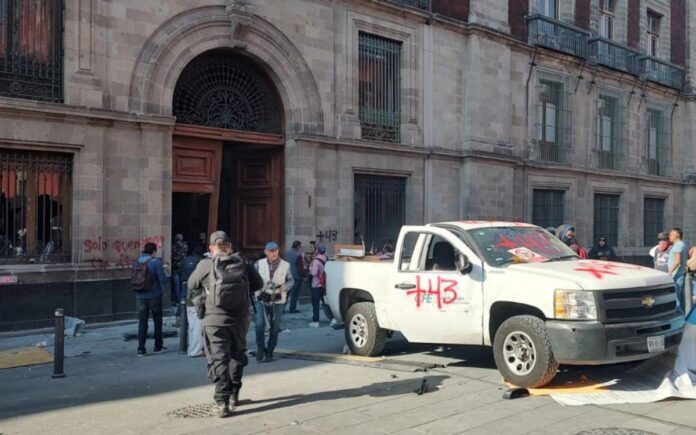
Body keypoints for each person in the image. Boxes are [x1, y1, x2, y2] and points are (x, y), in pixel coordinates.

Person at [188, 231, 264, 418]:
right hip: (240, 319)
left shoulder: (205, 264)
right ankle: (234, 394)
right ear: (229, 246)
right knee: (237, 354)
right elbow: (258, 284)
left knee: (219, 357)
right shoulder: (244, 263)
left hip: (214, 320)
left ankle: (222, 401)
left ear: (211, 248)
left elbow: (191, 284)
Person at [254, 242, 293, 362]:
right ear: (266, 252)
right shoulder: (258, 264)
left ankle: (270, 351)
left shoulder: (286, 265)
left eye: (276, 250)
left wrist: (283, 287)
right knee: (259, 324)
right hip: (261, 298)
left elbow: (291, 281)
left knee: (275, 327)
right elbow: (252, 278)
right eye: (271, 251)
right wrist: (257, 288)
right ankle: (260, 348)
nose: (274, 253)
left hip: (278, 300)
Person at [135, 242, 168, 357]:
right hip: (154, 295)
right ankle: (157, 346)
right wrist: (165, 270)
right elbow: (163, 279)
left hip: (140, 295)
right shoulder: (156, 262)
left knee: (142, 322)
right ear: (153, 252)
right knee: (157, 320)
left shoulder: (137, 261)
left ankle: (141, 348)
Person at [182, 245, 205, 357]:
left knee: (192, 326)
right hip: (197, 301)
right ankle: (195, 350)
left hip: (189, 300)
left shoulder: (186, 261)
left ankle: (191, 348)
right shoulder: (199, 269)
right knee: (197, 326)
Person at [308, 243, 328, 328]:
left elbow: (314, 273)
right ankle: (332, 319)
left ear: (317, 250)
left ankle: (316, 321)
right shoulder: (327, 258)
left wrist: (310, 267)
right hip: (324, 285)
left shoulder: (316, 261)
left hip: (316, 285)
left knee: (315, 304)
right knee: (326, 302)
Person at [668, 227, 687, 312]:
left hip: (677, 274)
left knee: (676, 297)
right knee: (680, 296)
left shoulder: (678, 245)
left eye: (671, 234)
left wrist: (670, 272)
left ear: (677, 235)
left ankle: (679, 316)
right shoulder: (683, 244)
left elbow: (677, 261)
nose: (669, 236)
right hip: (681, 273)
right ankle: (683, 315)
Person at [283, 241, 305, 314]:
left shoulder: (287, 253)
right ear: (298, 247)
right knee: (294, 294)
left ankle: (282, 308)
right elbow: (300, 267)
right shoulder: (298, 255)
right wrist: (303, 275)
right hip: (296, 277)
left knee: (286, 294)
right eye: (300, 246)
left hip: (288, 277)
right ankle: (292, 308)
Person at [171, 234, 188, 324]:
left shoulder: (173, 246)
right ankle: (180, 299)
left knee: (176, 284)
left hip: (174, 266)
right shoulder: (185, 245)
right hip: (183, 266)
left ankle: (178, 300)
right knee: (182, 285)